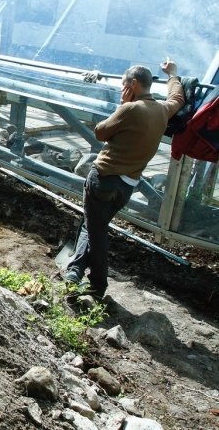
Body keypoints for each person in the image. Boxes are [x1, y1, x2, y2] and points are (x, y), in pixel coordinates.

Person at [65, 59, 186, 299]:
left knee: (96, 232)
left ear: (132, 84)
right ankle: (74, 271)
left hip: (103, 179)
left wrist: (121, 105)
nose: (122, 89)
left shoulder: (130, 108)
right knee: (93, 225)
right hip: (126, 186)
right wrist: (173, 74)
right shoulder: (162, 109)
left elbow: (100, 132)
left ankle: (97, 284)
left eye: (123, 84)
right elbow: (177, 98)